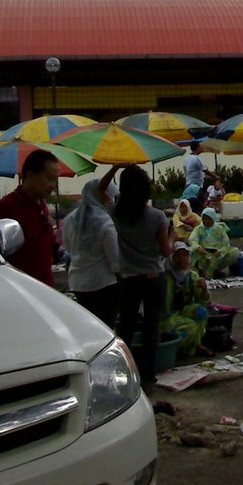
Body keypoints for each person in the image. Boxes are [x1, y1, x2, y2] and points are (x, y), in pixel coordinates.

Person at [99, 163, 171, 393]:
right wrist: (175, 237)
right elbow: (165, 251)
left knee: (126, 328)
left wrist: (114, 168)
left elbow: (99, 190)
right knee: (151, 328)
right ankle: (148, 378)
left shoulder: (113, 213)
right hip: (153, 276)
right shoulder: (157, 217)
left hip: (127, 278)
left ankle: (121, 376)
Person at [0, 149, 61, 287]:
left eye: (56, 180)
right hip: (21, 289)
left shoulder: (41, 204)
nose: (54, 185)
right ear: (30, 175)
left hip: (46, 286)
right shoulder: (5, 208)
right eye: (50, 179)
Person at [62, 179, 120, 326]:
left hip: (77, 283)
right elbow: (115, 259)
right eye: (110, 196)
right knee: (105, 328)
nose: (111, 200)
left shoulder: (70, 219)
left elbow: (67, 247)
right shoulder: (105, 222)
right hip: (103, 284)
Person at [161, 241, 212, 357]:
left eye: (185, 255)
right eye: (178, 255)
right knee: (190, 327)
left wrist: (203, 289)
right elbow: (163, 306)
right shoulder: (165, 277)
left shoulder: (190, 275)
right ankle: (176, 350)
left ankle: (195, 345)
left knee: (201, 311)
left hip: (182, 311)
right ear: (172, 258)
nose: (182, 259)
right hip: (167, 315)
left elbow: (205, 301)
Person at [189, 207, 241, 278]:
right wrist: (198, 247)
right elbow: (192, 239)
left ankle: (216, 270)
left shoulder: (220, 228)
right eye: (204, 219)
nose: (206, 221)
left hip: (217, 255)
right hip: (204, 254)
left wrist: (220, 251)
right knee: (190, 250)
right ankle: (202, 270)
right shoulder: (198, 229)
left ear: (213, 218)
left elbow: (226, 243)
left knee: (235, 252)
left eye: (208, 219)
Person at [183, 142, 215, 212]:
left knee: (189, 206)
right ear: (197, 148)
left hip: (188, 185)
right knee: (199, 206)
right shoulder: (197, 158)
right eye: (200, 147)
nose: (202, 149)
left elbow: (190, 172)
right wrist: (215, 176)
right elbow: (205, 170)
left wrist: (205, 177)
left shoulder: (187, 159)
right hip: (196, 187)